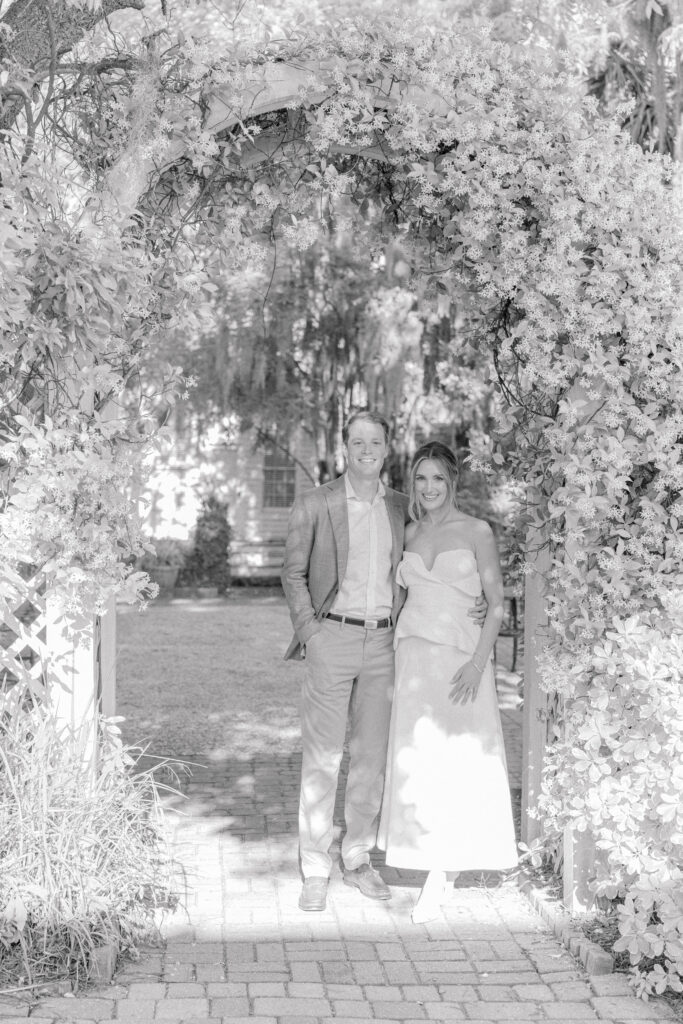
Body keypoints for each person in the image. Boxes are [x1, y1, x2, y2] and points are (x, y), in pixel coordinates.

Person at [281, 413, 485, 912]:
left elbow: (431, 571)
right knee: (323, 757)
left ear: (387, 448)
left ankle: (356, 856)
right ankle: (314, 867)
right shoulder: (316, 503)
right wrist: (312, 633)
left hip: (385, 647)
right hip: (333, 638)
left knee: (371, 759)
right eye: (357, 441)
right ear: (344, 447)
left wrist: (473, 604)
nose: (366, 448)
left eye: (375, 441)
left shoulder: (400, 508)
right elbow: (293, 573)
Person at [377, 440, 518, 924]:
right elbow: (397, 598)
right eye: (420, 478)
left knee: (460, 758)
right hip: (415, 662)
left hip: (463, 663)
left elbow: (495, 602)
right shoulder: (408, 533)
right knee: (423, 761)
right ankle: (437, 860)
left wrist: (480, 663)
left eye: (438, 478)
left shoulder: (477, 531)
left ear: (453, 481)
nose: (429, 487)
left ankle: (442, 873)